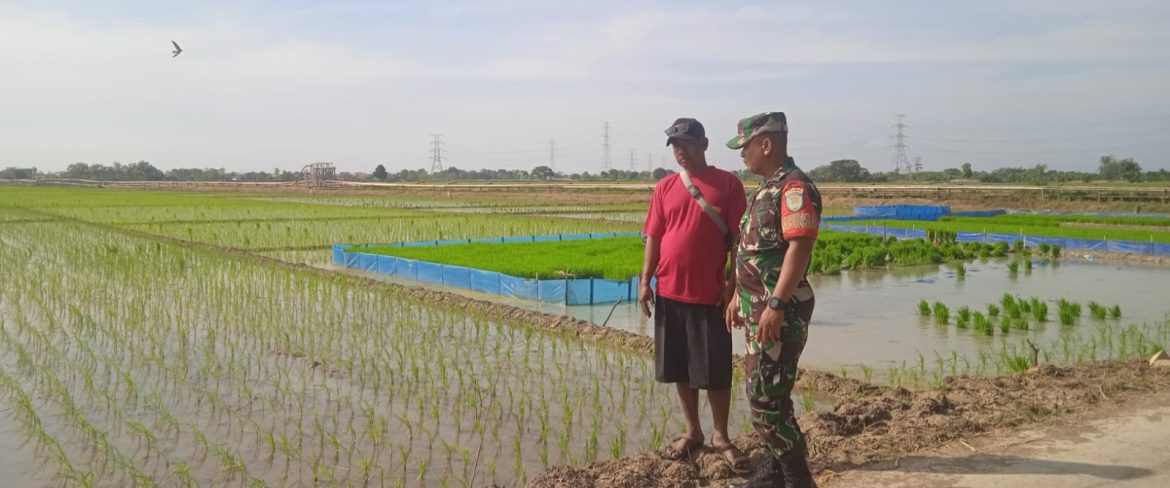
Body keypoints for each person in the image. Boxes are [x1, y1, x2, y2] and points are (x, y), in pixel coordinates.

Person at [640, 117, 749, 473]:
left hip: (710, 296)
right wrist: (645, 282)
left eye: (686, 142)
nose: (680, 150)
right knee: (680, 368)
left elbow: (739, 242)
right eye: (674, 144)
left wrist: (733, 285)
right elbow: (654, 237)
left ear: (704, 143)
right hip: (670, 291)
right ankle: (693, 432)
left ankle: (721, 435)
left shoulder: (728, 185)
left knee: (715, 370)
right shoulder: (665, 188)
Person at [724, 112, 821, 488]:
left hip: (778, 312)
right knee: (769, 395)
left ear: (766, 144)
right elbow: (752, 251)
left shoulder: (793, 189)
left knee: (765, 400)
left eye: (745, 147)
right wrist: (736, 295)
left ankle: (798, 479)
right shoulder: (766, 188)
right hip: (757, 309)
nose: (742, 155)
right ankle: (771, 475)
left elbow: (801, 246)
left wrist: (777, 304)